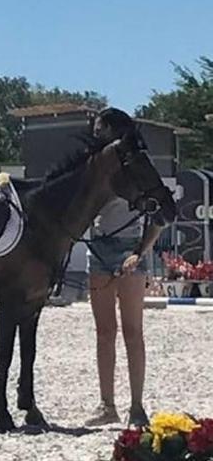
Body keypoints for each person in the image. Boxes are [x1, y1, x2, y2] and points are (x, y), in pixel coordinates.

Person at [84, 108, 162, 428]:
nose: (96, 133)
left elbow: (159, 214)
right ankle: (107, 405)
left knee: (132, 332)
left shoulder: (138, 164)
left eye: (100, 128)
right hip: (99, 248)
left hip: (129, 248)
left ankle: (137, 405)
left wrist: (140, 252)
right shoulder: (95, 167)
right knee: (104, 333)